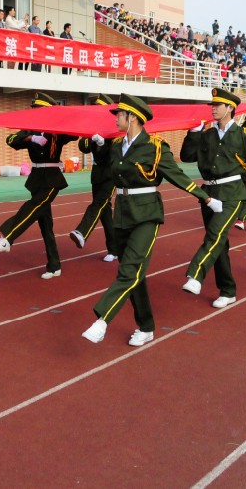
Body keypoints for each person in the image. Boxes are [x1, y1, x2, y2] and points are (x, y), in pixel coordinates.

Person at [81, 94, 215, 346]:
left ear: (132, 117)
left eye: (120, 115)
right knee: (134, 274)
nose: (116, 119)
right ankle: (146, 326)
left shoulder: (155, 146)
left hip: (146, 215)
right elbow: (105, 164)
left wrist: (205, 198)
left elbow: (176, 175)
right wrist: (98, 146)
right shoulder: (116, 145)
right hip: (122, 213)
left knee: (129, 270)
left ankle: (102, 321)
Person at [179, 88, 246, 308]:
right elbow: (186, 156)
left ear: (230, 108)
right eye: (212, 105)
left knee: (214, 235)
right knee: (219, 244)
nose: (213, 109)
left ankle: (196, 275)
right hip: (208, 194)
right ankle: (228, 290)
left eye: (217, 105)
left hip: (232, 193)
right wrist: (194, 133)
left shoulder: (245, 135)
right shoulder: (207, 135)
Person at [0, 93, 78, 279]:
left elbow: (75, 133)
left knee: (34, 206)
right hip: (37, 178)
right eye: (34, 109)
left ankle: (8, 238)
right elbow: (11, 140)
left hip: (52, 178)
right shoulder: (30, 129)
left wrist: (63, 119)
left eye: (38, 109)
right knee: (46, 226)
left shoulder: (57, 129)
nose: (35, 112)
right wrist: (30, 138)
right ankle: (54, 265)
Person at [70, 94, 120, 262]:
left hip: (111, 173)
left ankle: (82, 232)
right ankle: (114, 249)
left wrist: (101, 144)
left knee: (99, 203)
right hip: (97, 173)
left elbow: (114, 152)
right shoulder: (94, 126)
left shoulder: (115, 127)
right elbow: (83, 146)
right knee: (104, 212)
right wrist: (92, 136)